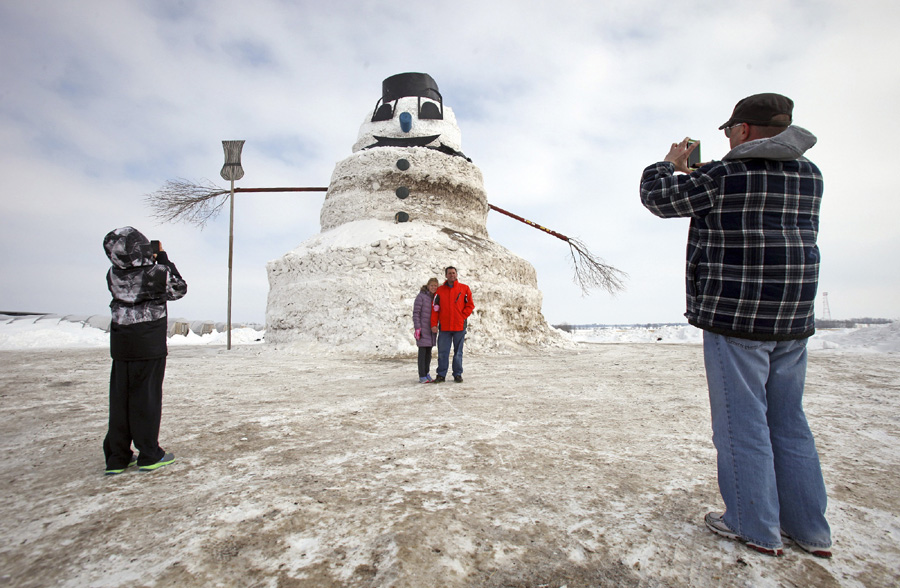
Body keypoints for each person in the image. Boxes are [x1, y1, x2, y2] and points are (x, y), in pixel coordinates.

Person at [639, 93, 832, 558]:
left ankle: (753, 525)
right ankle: (810, 530)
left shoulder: (725, 174)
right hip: (791, 319)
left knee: (741, 425)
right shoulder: (811, 175)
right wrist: (699, 175)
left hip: (737, 318)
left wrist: (667, 163)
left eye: (728, 131)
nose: (726, 138)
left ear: (742, 130)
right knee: (789, 424)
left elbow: (658, 198)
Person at [102, 227, 187, 475]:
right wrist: (163, 260)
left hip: (121, 343)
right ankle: (149, 454)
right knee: (145, 398)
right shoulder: (156, 272)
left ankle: (117, 457)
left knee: (120, 399)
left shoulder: (112, 274)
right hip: (148, 342)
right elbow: (178, 289)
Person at [430, 266, 474, 383]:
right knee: (443, 352)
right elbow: (435, 309)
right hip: (444, 327)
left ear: (456, 274)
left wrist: (462, 316)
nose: (451, 275)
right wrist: (434, 324)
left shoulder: (464, 289)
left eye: (453, 273)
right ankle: (441, 374)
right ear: (446, 275)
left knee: (458, 352)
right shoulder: (440, 291)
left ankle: (457, 374)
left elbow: (470, 305)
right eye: (449, 273)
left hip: (459, 327)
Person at [413, 278, 439, 383]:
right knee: (422, 353)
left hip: (431, 330)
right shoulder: (421, 297)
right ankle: (422, 375)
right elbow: (416, 313)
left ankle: (427, 373)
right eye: (432, 285)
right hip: (423, 329)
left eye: (435, 286)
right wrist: (417, 327)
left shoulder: (435, 298)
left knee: (428, 353)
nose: (433, 287)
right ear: (428, 286)